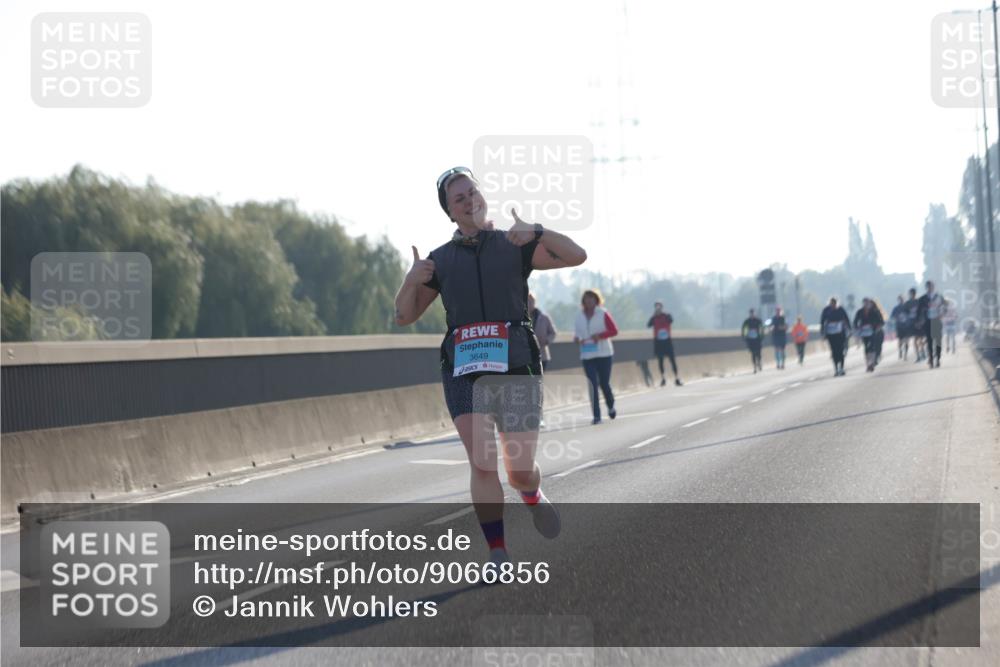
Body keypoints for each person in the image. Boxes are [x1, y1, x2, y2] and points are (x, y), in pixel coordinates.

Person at [394, 166, 587, 571]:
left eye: (472, 193)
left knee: (518, 471)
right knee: (482, 461)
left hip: (517, 363)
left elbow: (576, 255)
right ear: (449, 212)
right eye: (458, 198)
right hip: (464, 368)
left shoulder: (512, 243)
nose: (469, 201)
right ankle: (497, 551)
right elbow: (404, 315)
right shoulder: (440, 261)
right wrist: (411, 281)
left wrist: (536, 230)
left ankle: (531, 494)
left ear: (483, 196)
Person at [574, 289, 619, 424]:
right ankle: (597, 416)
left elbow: (614, 331)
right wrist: (577, 339)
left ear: (596, 300)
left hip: (604, 353)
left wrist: (599, 336)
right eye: (586, 299)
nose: (589, 301)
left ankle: (610, 405)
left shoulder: (603, 313)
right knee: (592, 385)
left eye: (592, 298)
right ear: (583, 301)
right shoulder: (579, 316)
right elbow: (576, 334)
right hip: (587, 355)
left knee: (604, 383)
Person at [647, 301, 683, 386]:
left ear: (662, 307)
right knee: (660, 361)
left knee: (672, 360)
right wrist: (654, 315)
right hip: (658, 342)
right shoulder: (654, 318)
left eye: (659, 307)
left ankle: (677, 378)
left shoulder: (667, 316)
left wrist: (663, 315)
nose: (658, 308)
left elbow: (671, 320)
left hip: (667, 341)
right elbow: (648, 325)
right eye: (656, 307)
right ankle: (663, 378)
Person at [917, 280, 945, 368]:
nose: (929, 288)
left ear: (933, 287)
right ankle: (931, 360)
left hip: (937, 320)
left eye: (931, 286)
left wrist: (942, 314)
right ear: (926, 288)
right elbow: (919, 311)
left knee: (938, 341)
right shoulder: (922, 299)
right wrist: (918, 321)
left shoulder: (939, 297)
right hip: (927, 321)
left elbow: (945, 307)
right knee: (929, 341)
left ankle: (938, 359)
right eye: (928, 286)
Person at [820, 297, 852, 376]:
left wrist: (850, 330)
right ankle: (836, 369)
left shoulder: (840, 309)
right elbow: (822, 322)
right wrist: (823, 333)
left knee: (840, 351)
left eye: (834, 303)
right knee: (834, 352)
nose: (833, 305)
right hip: (831, 334)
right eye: (832, 303)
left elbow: (846, 319)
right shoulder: (826, 310)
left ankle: (841, 367)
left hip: (840, 334)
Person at [853, 297, 885, 372]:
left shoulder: (874, 311)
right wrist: (857, 328)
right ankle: (868, 364)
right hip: (864, 333)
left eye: (867, 303)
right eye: (864, 303)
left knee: (872, 347)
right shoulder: (859, 312)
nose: (866, 304)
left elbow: (881, 321)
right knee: (866, 348)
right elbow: (855, 322)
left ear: (869, 303)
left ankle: (872, 363)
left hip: (873, 332)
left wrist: (877, 328)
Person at [528, 293, 557, 372]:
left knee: (539, 378)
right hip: (526, 356)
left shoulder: (544, 318)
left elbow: (553, 333)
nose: (529, 304)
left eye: (531, 302)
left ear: (534, 303)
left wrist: (547, 340)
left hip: (542, 354)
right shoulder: (521, 319)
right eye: (527, 302)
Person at [902, 288, 924, 362]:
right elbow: (904, 313)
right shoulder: (907, 303)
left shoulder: (919, 302)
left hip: (919, 322)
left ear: (914, 294)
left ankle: (922, 351)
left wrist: (921, 321)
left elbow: (922, 312)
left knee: (921, 339)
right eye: (910, 294)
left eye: (912, 293)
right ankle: (918, 356)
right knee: (915, 340)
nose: (911, 295)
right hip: (912, 323)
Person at [741, 308, 765, 373]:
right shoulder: (747, 321)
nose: (752, 314)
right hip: (750, 340)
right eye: (751, 313)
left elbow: (762, 328)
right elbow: (743, 328)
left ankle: (759, 362)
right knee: (753, 353)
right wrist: (744, 336)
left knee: (758, 353)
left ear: (754, 313)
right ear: (749, 314)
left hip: (757, 339)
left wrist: (762, 336)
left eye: (753, 313)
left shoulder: (758, 320)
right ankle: (754, 367)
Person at [890, 295, 909, 360]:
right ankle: (900, 350)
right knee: (900, 340)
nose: (901, 301)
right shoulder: (896, 308)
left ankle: (905, 354)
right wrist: (897, 317)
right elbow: (892, 317)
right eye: (900, 299)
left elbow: (910, 314)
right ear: (898, 300)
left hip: (906, 326)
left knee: (906, 340)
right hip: (899, 326)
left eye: (902, 299)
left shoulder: (907, 307)